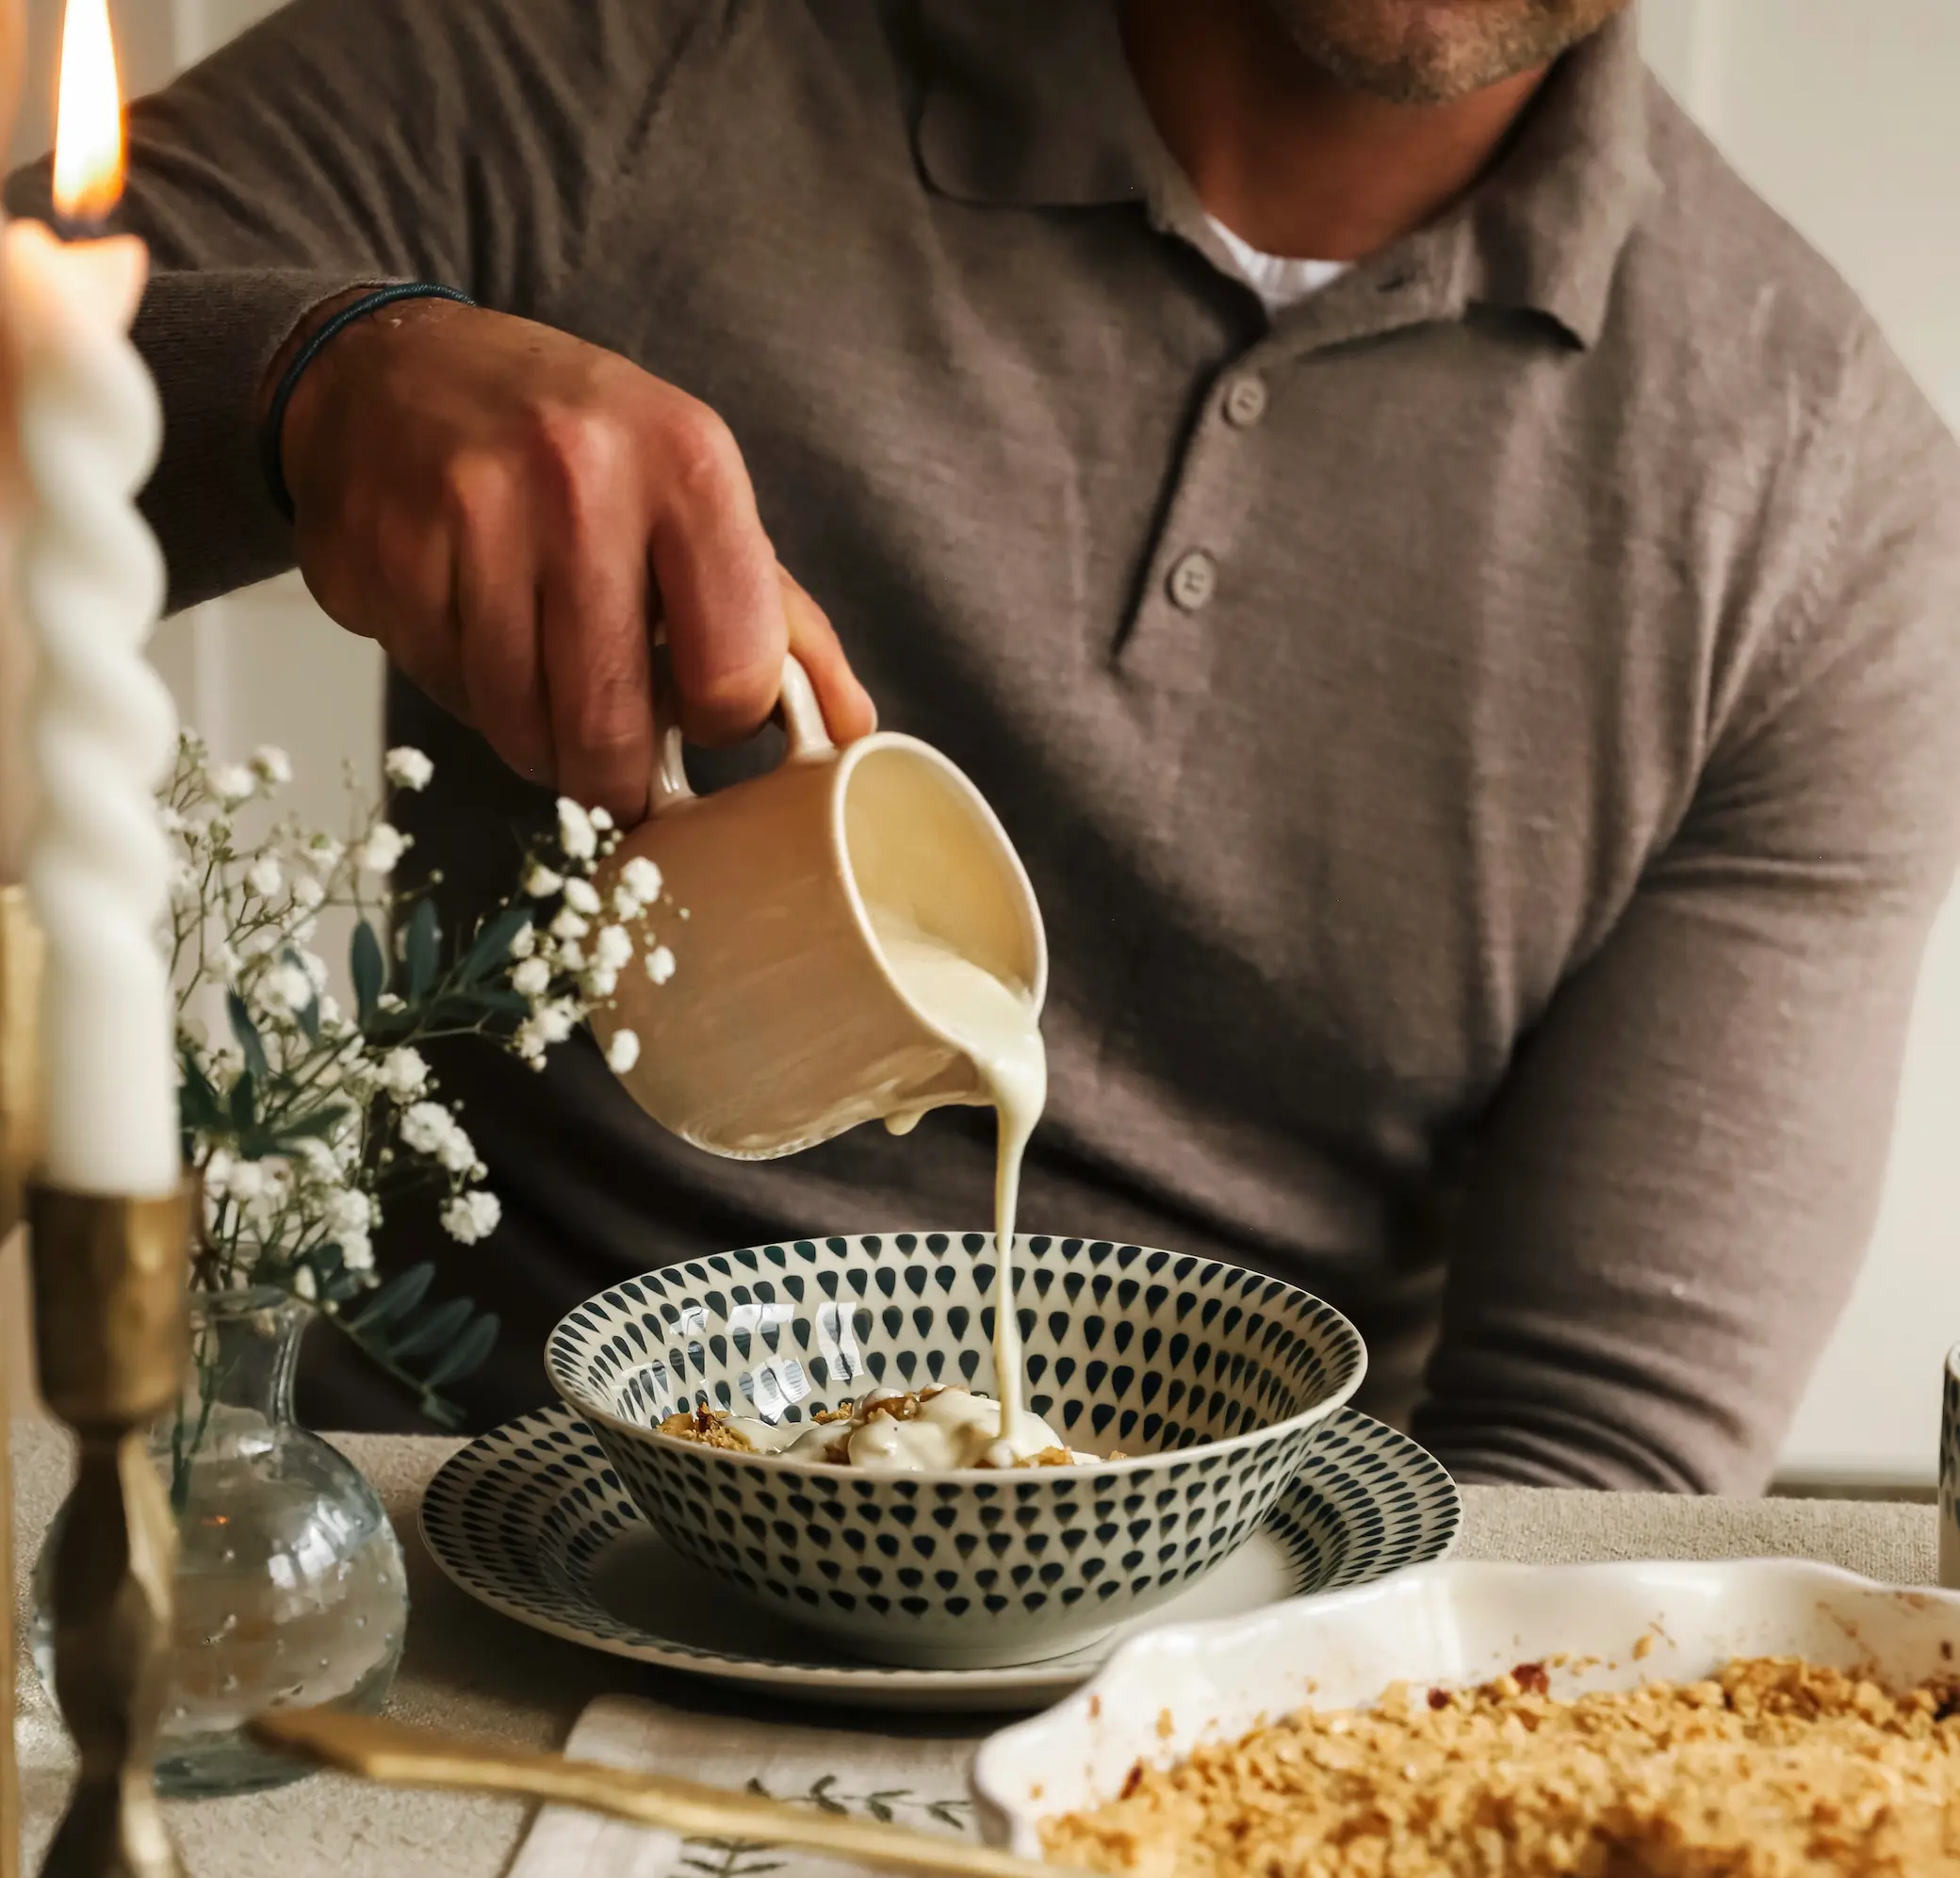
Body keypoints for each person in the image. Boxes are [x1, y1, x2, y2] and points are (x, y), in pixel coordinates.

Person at [10, 0, 1960, 1490]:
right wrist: (308, 376)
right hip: (448, 1535)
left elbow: (1583, 1472)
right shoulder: (633, 62)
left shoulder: (1815, 505)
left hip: (1213, 1688)